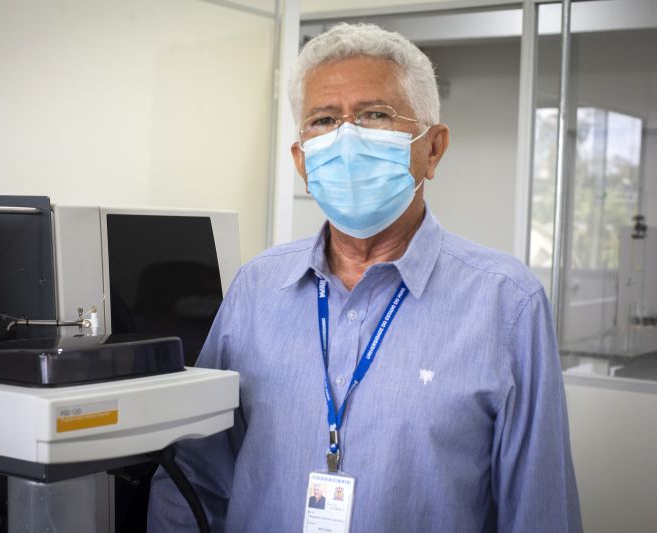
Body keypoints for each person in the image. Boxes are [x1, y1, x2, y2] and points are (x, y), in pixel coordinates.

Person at [148, 22, 582, 532]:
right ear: (301, 160)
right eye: (324, 120)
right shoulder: (256, 290)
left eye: (375, 115)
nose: (346, 139)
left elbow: (539, 510)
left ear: (434, 148)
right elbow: (195, 479)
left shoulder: (506, 304)